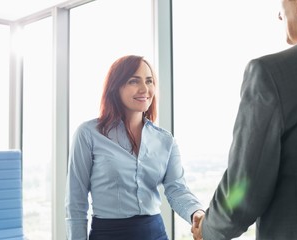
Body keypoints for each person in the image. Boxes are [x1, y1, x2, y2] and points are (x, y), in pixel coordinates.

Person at [191, 0, 297, 239]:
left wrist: (209, 227)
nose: (280, 17)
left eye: (281, 7)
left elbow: (245, 187)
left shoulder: (271, 73)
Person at [65, 55, 204, 240]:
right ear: (116, 87)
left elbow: (176, 188)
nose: (144, 89)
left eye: (149, 81)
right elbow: (76, 201)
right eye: (133, 81)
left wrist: (196, 212)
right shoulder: (88, 134)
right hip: (108, 234)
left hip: (155, 233)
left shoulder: (165, 140)